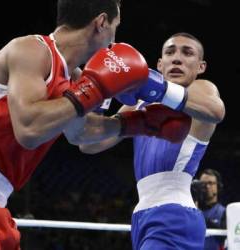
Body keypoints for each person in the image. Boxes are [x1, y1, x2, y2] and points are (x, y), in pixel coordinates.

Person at [0, 0, 153, 249]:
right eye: (116, 26)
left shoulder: (73, 79)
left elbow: (80, 133)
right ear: (102, 22)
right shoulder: (32, 50)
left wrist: (136, 123)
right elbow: (29, 129)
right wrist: (91, 91)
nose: (114, 41)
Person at [72, 32, 226, 249]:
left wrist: (157, 87)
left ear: (200, 66)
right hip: (143, 214)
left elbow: (216, 110)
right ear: (160, 65)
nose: (177, 58)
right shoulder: (140, 104)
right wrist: (100, 93)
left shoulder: (199, 90)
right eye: (170, 52)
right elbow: (88, 143)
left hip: (174, 214)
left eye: (187, 53)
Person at [198, 169, 226, 250]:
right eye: (202, 184)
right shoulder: (190, 211)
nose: (206, 187)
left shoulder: (224, 212)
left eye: (210, 183)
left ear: (218, 186)